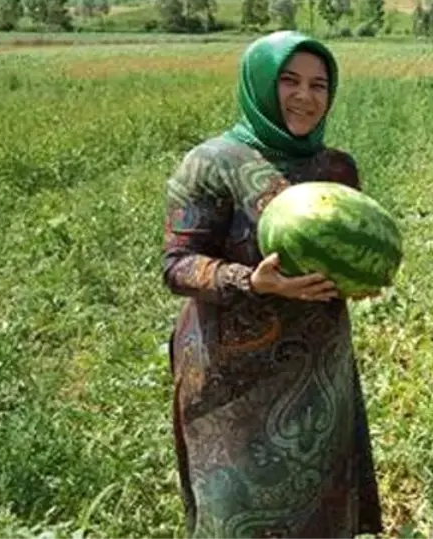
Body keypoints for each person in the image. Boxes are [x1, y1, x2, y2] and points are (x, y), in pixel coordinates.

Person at [162, 31, 383, 537]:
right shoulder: (210, 163)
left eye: (319, 85)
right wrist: (252, 282)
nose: (305, 96)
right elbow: (176, 265)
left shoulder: (336, 167)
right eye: (289, 81)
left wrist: (361, 278)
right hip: (232, 378)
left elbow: (347, 251)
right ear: (260, 84)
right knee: (238, 506)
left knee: (320, 505)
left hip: (318, 372)